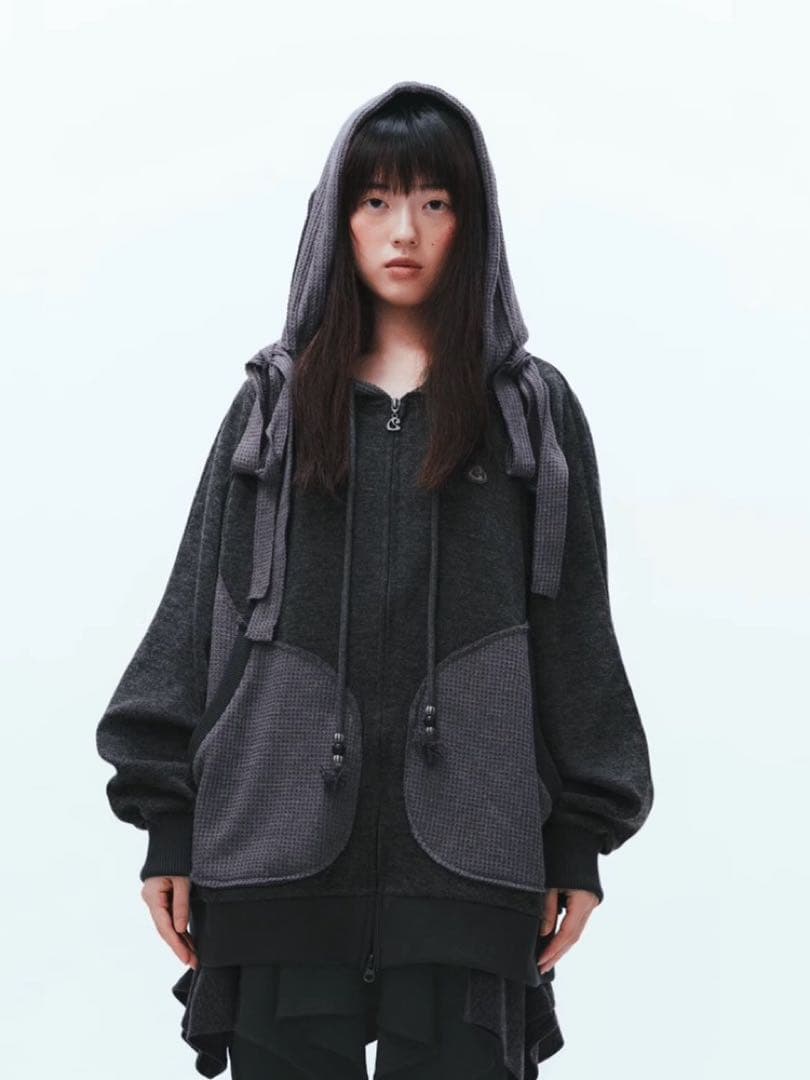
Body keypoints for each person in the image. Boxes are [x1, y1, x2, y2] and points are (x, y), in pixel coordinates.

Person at [96, 80, 654, 1080]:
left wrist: (578, 841)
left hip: (472, 854)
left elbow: (574, 635)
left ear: (473, 222)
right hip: (273, 850)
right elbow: (194, 620)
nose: (405, 230)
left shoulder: (531, 417)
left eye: (435, 202)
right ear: (337, 219)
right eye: (377, 199)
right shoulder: (272, 411)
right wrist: (166, 824)